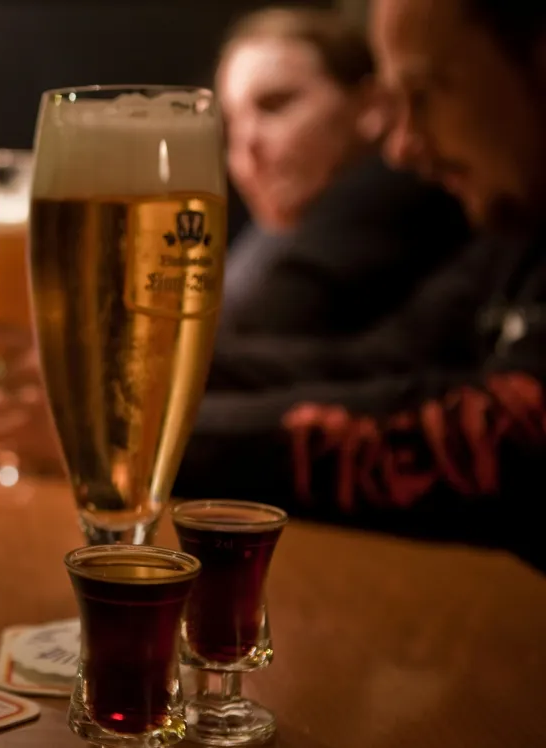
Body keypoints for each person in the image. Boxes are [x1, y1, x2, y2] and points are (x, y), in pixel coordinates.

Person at [176, 0, 546, 567]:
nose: (401, 146)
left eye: (426, 93)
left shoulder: (394, 197)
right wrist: (134, 388)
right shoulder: (516, 233)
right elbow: (385, 359)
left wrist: (149, 440)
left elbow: (501, 441)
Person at [216, 8, 469, 337]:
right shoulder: (263, 242)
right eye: (230, 124)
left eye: (275, 104)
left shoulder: (394, 190)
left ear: (371, 106)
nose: (246, 144)